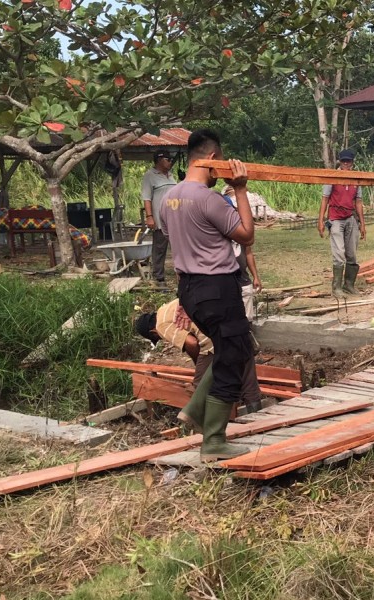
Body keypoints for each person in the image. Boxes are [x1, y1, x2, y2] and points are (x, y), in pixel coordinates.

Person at [159, 129, 255, 461]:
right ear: (213, 160)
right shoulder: (208, 198)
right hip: (217, 287)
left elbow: (175, 240)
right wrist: (240, 190)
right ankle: (213, 440)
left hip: (190, 289)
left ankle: (196, 408)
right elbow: (245, 235)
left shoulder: (167, 198)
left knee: (239, 345)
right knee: (232, 357)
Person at [134, 297, 263, 414]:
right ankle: (256, 418)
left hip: (214, 339)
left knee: (200, 387)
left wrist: (199, 364)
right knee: (247, 377)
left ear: (152, 332)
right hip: (237, 328)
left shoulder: (160, 326)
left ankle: (206, 422)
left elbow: (192, 343)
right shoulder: (167, 308)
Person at [319, 148, 367, 298]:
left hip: (350, 217)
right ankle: (336, 288)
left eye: (349, 161)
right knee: (339, 253)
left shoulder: (356, 179)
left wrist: (362, 223)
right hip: (335, 218)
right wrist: (320, 220)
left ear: (352, 163)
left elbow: (358, 202)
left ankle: (349, 285)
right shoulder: (332, 177)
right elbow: (325, 199)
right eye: (343, 161)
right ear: (339, 162)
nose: (346, 164)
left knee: (352, 254)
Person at [141, 151, 178, 284]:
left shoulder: (171, 175)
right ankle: (159, 277)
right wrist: (149, 217)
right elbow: (146, 198)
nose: (170, 162)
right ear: (159, 160)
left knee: (179, 248)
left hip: (175, 219)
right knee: (160, 249)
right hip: (161, 220)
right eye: (168, 159)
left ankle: (181, 273)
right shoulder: (149, 176)